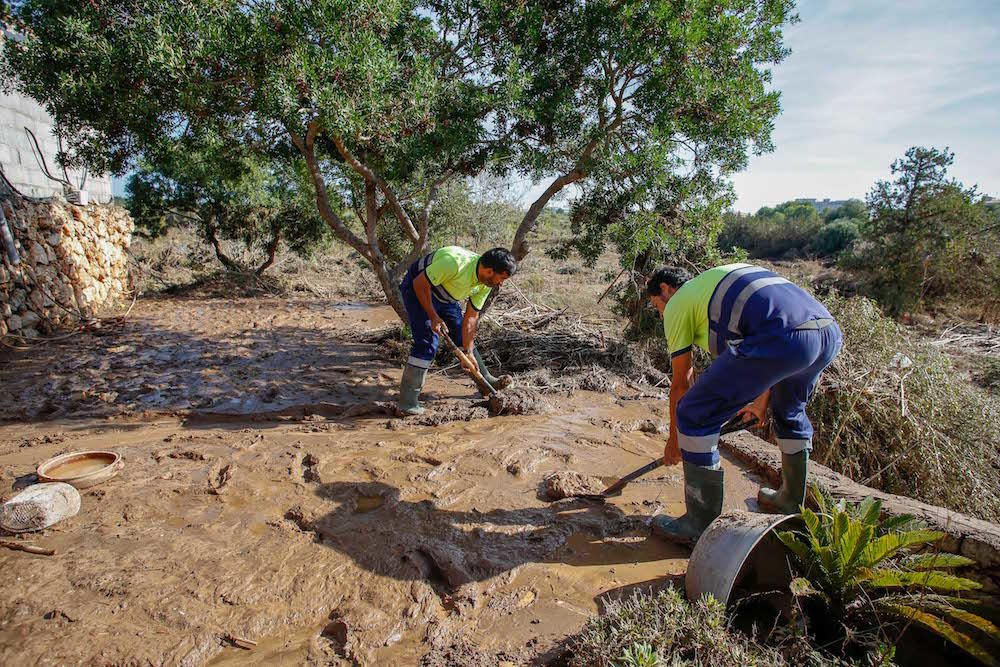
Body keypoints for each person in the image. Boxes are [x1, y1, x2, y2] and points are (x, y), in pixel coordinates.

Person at [646, 263, 843, 544]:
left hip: (784, 336)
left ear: (666, 290)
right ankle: (789, 500)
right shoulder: (713, 284)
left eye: (656, 305)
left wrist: (675, 441)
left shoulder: (679, 302)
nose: (660, 312)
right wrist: (761, 400)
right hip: (826, 332)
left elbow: (681, 383)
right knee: (789, 412)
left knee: (694, 413)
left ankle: (698, 524)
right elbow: (769, 347)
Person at [398, 246, 517, 415]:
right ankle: (406, 403)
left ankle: (485, 383)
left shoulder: (486, 283)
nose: (501, 283)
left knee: (464, 338)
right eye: (502, 278)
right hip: (417, 288)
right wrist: (433, 316)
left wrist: (468, 352)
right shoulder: (454, 263)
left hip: (446, 297)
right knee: (427, 342)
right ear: (490, 271)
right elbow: (419, 284)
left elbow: (471, 317)